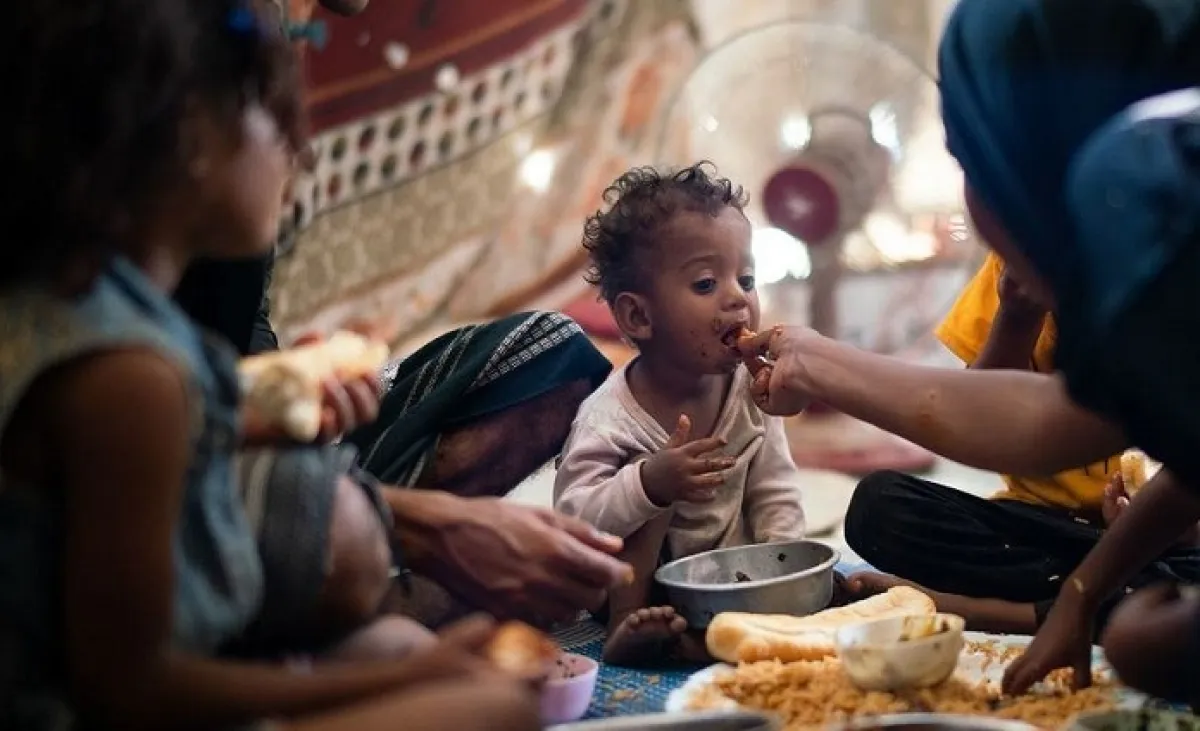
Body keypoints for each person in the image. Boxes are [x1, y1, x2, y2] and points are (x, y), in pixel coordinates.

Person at [0, 1, 542, 729]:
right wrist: (418, 677)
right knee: (493, 702)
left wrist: (255, 417)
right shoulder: (129, 376)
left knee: (392, 645)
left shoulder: (73, 307)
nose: (299, 152)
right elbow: (128, 690)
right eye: (274, 120)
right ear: (193, 132)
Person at [737, 0, 1200, 705]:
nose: (974, 199)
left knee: (1151, 636)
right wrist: (1083, 589)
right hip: (1060, 539)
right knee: (887, 507)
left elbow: (1048, 421)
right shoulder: (1157, 243)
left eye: (970, 159)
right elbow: (1049, 419)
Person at [170, 0, 629, 651]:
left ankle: (386, 587)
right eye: (275, 123)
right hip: (178, 459)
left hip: (237, 424)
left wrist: (290, 386)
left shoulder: (266, 38)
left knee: (550, 353)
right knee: (346, 536)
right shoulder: (185, 44)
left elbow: (242, 317)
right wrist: (406, 518)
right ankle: (371, 587)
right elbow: (146, 415)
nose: (300, 149)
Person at [839, 251, 1200, 636]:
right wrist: (1016, 316)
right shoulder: (1012, 259)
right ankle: (1111, 598)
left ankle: (965, 608)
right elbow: (971, 420)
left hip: (1163, 532)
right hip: (1037, 530)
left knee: (1184, 579)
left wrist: (1170, 527)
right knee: (879, 506)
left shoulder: (1171, 257)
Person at [554, 163, 806, 666]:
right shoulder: (609, 418)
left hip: (733, 581)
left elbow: (774, 489)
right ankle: (631, 634)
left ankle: (699, 643)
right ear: (639, 317)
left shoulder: (752, 390)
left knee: (808, 594)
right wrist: (648, 484)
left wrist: (788, 569)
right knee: (652, 498)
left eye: (747, 277)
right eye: (707, 283)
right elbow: (573, 520)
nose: (738, 297)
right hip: (641, 591)